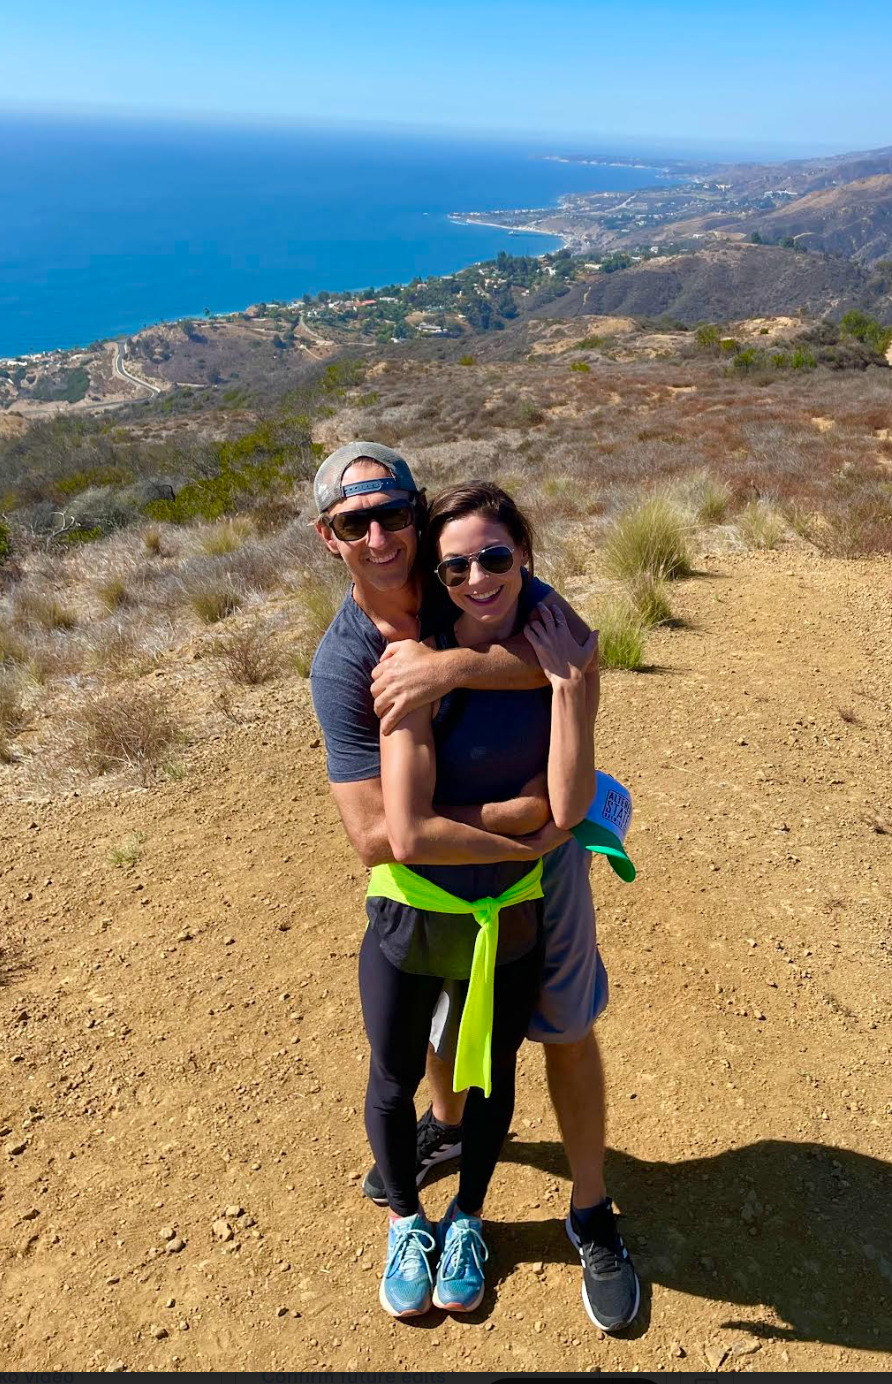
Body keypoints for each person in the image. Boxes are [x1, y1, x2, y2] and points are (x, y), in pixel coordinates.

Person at [309, 443, 639, 1331]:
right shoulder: (347, 663)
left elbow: (576, 654)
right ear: (328, 538)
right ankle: (441, 1153)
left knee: (561, 1028)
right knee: (435, 1032)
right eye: (354, 523)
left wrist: (450, 667)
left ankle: (591, 1209)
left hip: (540, 873)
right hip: (465, 872)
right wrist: (524, 815)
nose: (381, 538)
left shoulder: (476, 564)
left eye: (393, 515)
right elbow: (383, 836)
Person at [363, 481, 597, 1316]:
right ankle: (405, 1220)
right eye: (455, 565)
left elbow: (568, 807)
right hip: (416, 910)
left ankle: (466, 1215)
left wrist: (569, 690)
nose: (477, 578)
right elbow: (411, 834)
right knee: (395, 1076)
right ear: (439, 574)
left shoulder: (560, 653)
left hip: (510, 916)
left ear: (525, 558)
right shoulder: (412, 669)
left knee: (492, 1076)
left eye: (495, 558)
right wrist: (522, 833)